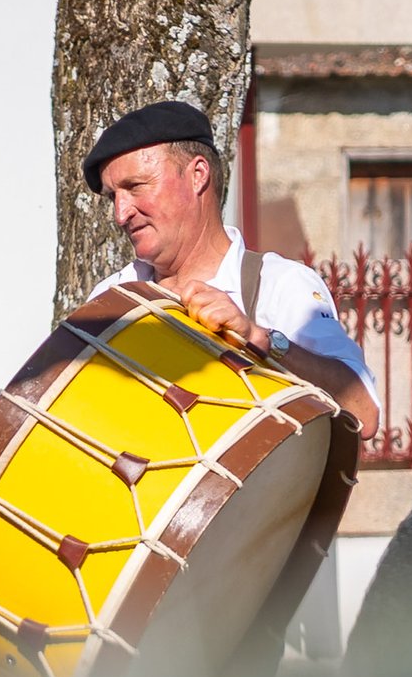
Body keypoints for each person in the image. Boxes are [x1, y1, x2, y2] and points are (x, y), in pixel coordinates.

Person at [81, 99, 380, 439]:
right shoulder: (111, 298)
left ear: (197, 175)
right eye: (113, 197)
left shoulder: (277, 285)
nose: (120, 214)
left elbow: (364, 414)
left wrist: (258, 338)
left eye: (135, 187)